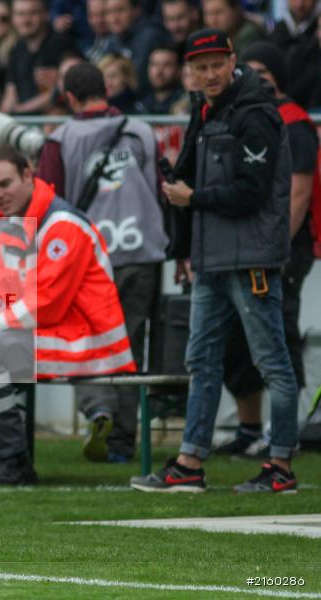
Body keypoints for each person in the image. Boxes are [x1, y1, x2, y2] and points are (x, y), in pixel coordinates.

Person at [132, 29, 298, 493]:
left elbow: (251, 191)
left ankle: (281, 465)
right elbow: (192, 186)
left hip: (252, 261)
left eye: (215, 65)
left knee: (272, 364)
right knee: (201, 360)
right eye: (199, 66)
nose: (208, 74)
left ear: (232, 62)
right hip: (212, 260)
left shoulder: (257, 114)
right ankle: (189, 463)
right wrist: (186, 249)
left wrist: (193, 197)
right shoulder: (206, 110)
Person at [0, 145, 136, 483]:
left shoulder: (63, 225)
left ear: (29, 175)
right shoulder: (8, 222)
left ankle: (13, 462)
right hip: (43, 333)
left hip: (86, 341)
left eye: (5, 184)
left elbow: (45, 304)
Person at [37, 62, 167, 463]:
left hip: (88, 258)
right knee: (130, 346)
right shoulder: (142, 130)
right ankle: (124, 441)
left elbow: (47, 200)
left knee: (85, 338)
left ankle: (100, 410)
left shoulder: (61, 138)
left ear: (70, 97)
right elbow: (159, 192)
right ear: (105, 89)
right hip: (142, 251)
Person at [215, 42, 318, 458]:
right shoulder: (252, 117)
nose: (253, 78)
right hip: (251, 249)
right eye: (248, 69)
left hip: (282, 252)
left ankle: (282, 433)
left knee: (279, 340)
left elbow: (300, 192)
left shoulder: (295, 123)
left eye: (262, 70)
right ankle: (249, 427)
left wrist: (277, 250)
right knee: (239, 342)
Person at [0, 0, 76, 115]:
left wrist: (18, 110)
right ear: (13, 18)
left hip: (53, 122)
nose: (26, 20)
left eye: (32, 13)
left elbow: (60, 93)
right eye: (20, 14)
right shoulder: (17, 50)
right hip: (22, 122)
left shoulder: (62, 44)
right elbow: (10, 92)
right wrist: (2, 114)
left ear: (46, 15)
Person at [104, 0, 172, 94]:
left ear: (136, 10)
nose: (114, 18)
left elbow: (139, 81)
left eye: (120, 10)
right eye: (108, 12)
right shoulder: (112, 40)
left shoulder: (151, 37)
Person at [136, 44, 186, 114]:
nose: (159, 71)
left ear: (179, 70)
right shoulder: (139, 103)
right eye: (154, 64)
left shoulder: (186, 104)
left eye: (167, 65)